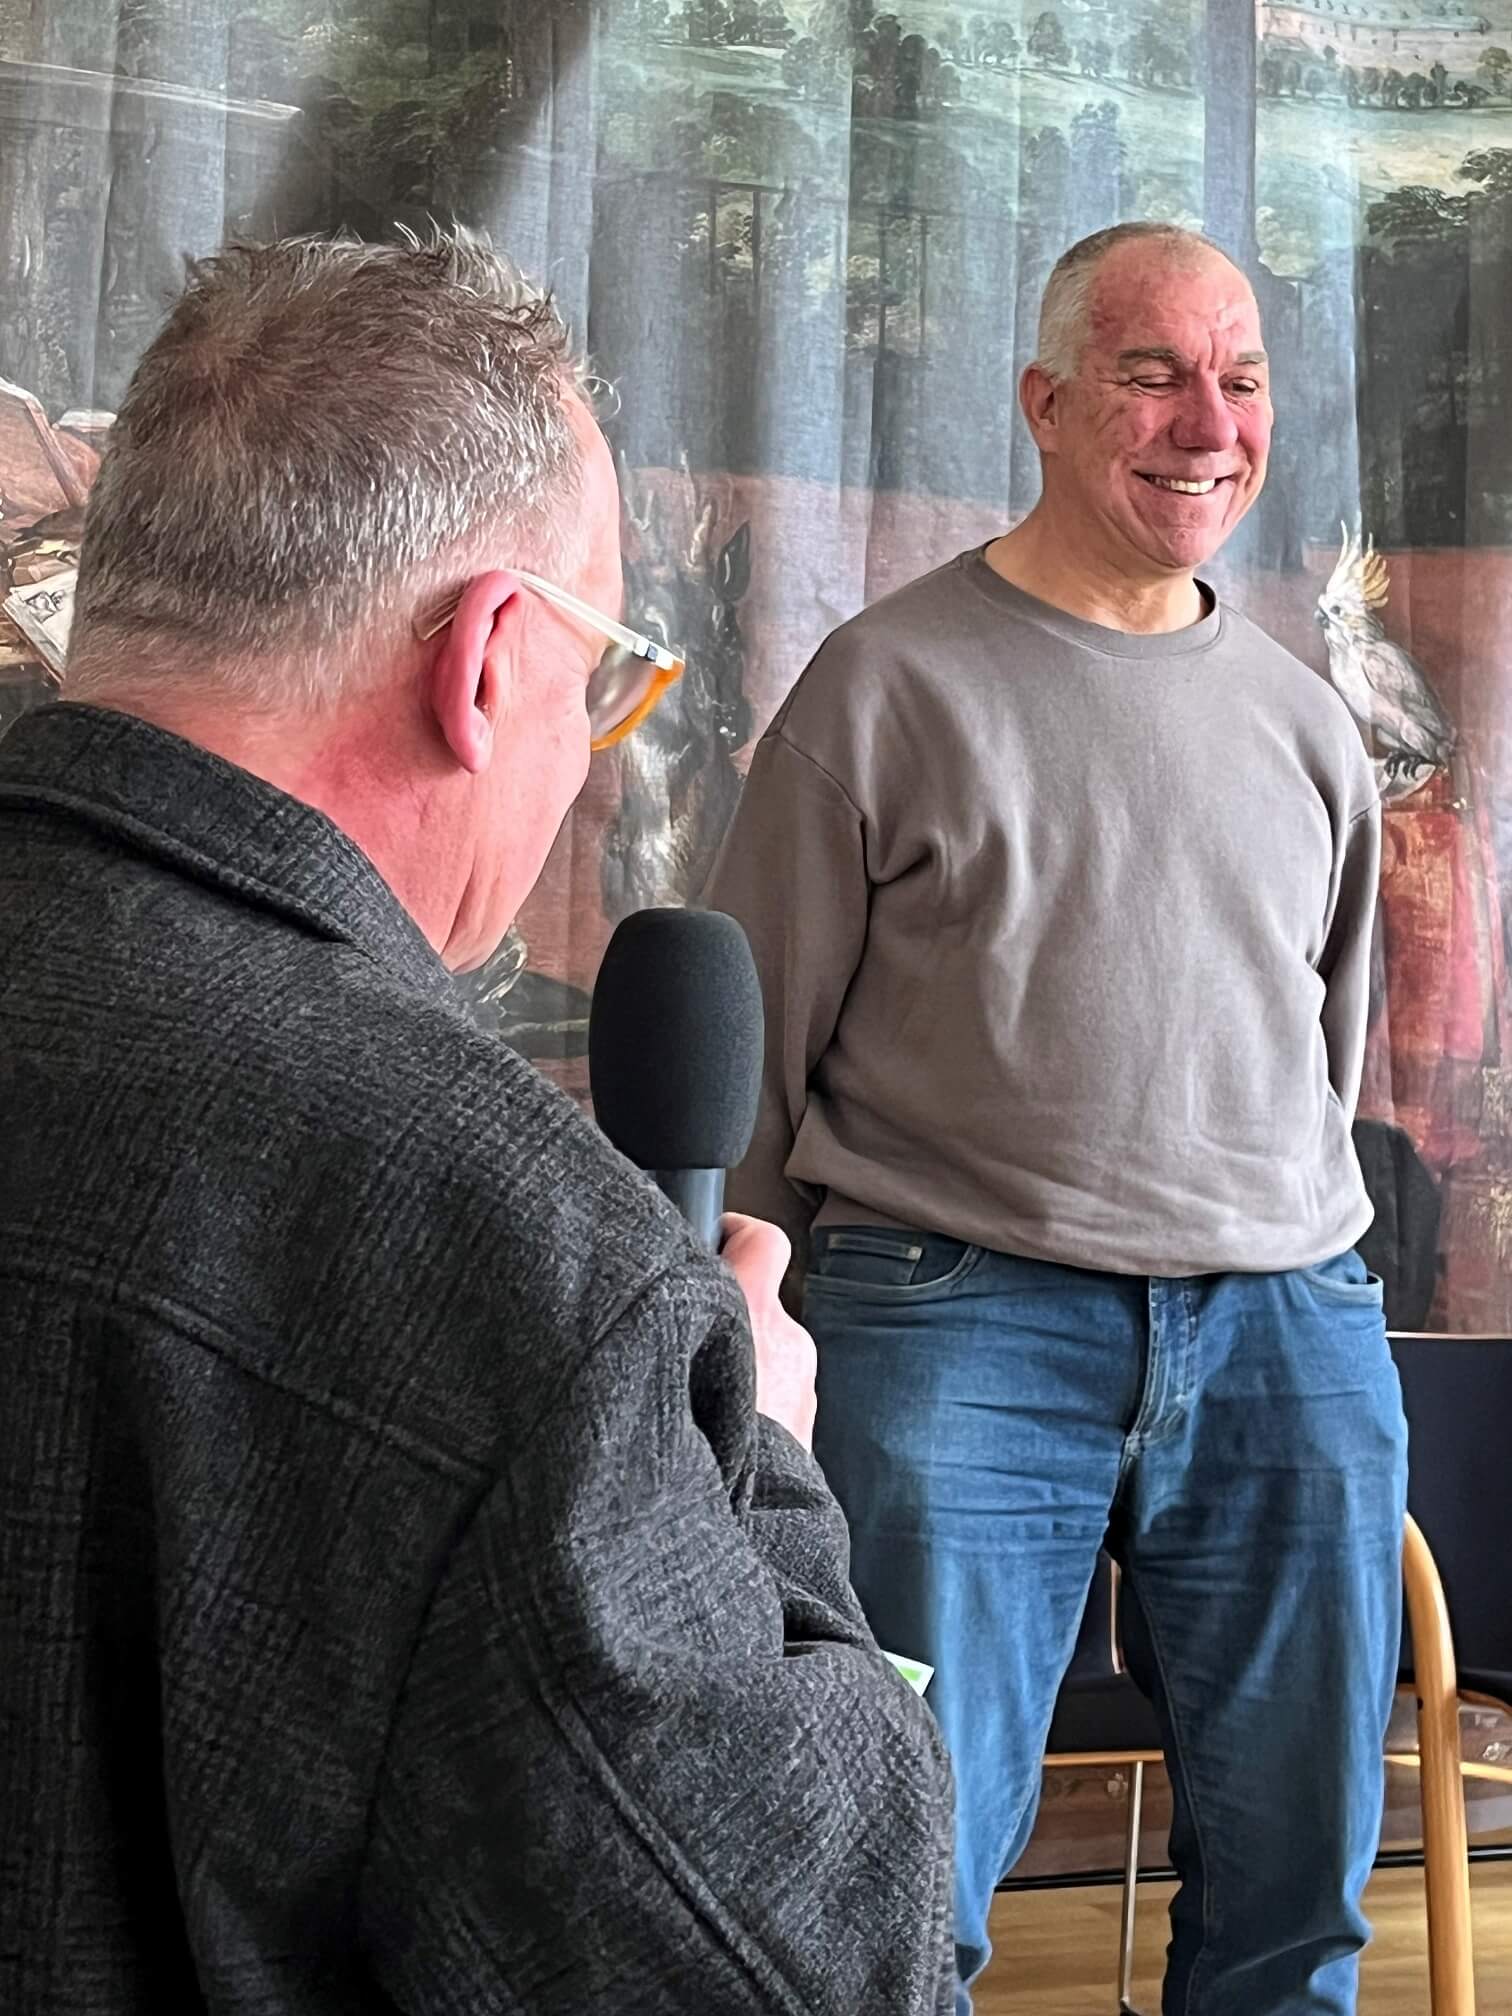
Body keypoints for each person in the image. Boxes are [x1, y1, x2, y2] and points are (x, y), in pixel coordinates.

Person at [0, 232, 954, 2016]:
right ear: (493, 659)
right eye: (605, 678)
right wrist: (759, 1472)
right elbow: (809, 1969)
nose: (590, 757)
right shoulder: (511, 1252)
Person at [705, 221, 1408, 2016]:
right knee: (899, 1882)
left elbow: (1326, 1055)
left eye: (1239, 381)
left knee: (1299, 1909)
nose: (1207, 425)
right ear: (1041, 401)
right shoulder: (882, 686)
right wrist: (748, 1352)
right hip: (955, 1324)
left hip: (1288, 1335)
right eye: (1151, 375)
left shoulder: (1307, 725)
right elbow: (752, 1055)